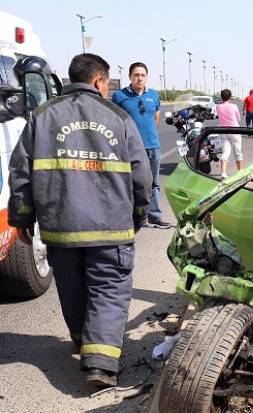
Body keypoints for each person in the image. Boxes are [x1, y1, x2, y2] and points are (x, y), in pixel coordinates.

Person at [8, 53, 152, 387]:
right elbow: (140, 173)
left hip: (61, 225)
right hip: (110, 225)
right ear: (100, 81)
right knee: (109, 289)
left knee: (71, 287)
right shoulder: (117, 117)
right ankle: (100, 363)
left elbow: (21, 171)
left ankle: (82, 339)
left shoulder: (43, 116)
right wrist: (140, 213)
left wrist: (22, 217)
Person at [112, 62, 170, 229]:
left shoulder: (154, 95)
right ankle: (130, 217)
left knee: (152, 183)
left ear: (146, 77)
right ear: (130, 76)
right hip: (129, 148)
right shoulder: (119, 96)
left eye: (142, 75)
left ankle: (154, 216)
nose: (139, 78)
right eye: (136, 75)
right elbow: (115, 121)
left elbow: (156, 119)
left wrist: (147, 136)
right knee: (129, 183)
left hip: (152, 146)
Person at [216, 88, 242, 178]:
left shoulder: (218, 106)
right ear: (230, 97)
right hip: (234, 129)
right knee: (237, 150)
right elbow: (238, 118)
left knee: (225, 151)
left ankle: (223, 172)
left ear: (221, 97)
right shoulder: (234, 106)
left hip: (223, 130)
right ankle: (239, 171)